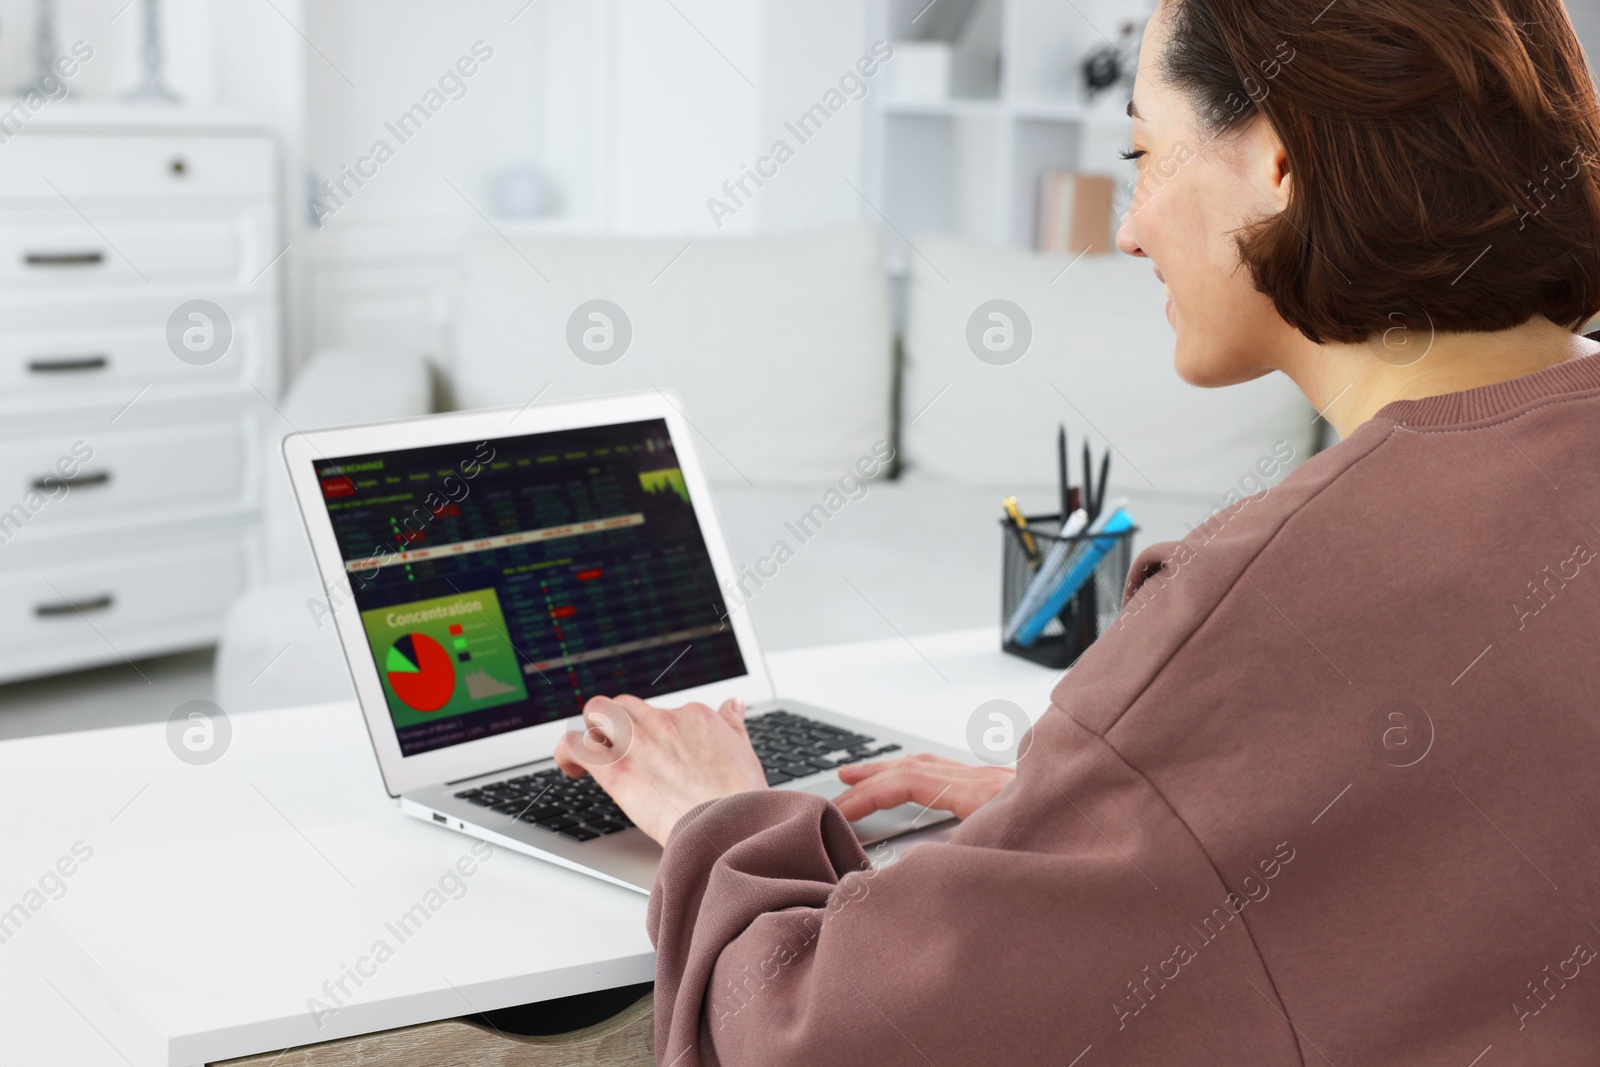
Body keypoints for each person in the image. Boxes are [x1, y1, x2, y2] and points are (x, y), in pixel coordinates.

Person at [554, 0, 1600, 1061]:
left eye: (1144, 153)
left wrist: (720, 816)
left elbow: (816, 1036)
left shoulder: (1255, 610)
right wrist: (1138, 818)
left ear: (1279, 164)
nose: (1130, 226)